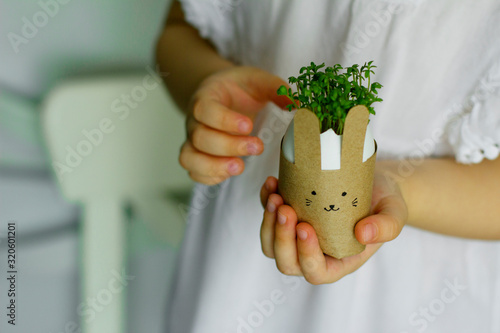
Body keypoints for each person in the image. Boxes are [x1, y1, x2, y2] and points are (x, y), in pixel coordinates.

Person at [156, 1, 500, 332]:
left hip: (423, 290)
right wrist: (209, 86)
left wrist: (398, 188)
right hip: (238, 269)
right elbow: (179, 28)